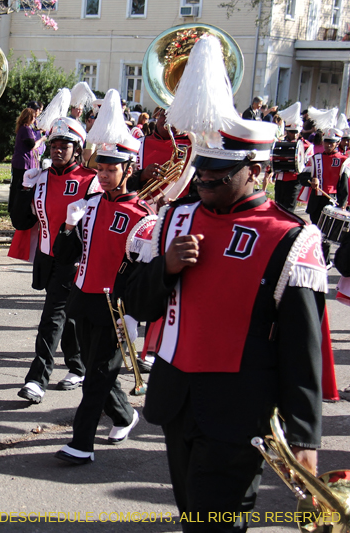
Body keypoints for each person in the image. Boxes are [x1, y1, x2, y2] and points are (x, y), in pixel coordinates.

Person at [123, 35, 324, 532]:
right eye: (203, 171)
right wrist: (165, 267)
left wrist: (304, 439)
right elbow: (136, 303)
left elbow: (304, 346)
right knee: (194, 517)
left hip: (239, 410)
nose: (205, 181)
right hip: (176, 400)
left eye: (220, 173)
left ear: (255, 171)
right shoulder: (174, 219)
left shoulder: (291, 238)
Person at [51, 89, 154, 465]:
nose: (105, 176)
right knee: (98, 367)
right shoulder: (89, 206)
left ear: (128, 170)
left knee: (96, 376)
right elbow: (66, 256)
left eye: (112, 169)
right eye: (101, 169)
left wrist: (133, 314)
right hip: (83, 297)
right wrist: (67, 228)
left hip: (117, 306)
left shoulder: (143, 216)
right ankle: (126, 416)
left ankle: (81, 443)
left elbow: (143, 273)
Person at [11, 109, 99, 404]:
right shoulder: (42, 177)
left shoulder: (90, 181)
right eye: (54, 145)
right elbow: (21, 222)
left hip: (74, 262)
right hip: (46, 258)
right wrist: (24, 187)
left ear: (77, 149)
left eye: (65, 145)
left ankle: (37, 379)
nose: (58, 150)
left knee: (52, 318)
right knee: (67, 316)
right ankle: (79, 366)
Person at [298, 127, 349, 263]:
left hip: (331, 201)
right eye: (326, 142)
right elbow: (302, 177)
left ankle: (324, 263)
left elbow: (343, 185)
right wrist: (311, 180)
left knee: (326, 237)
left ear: (338, 143)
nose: (328, 145)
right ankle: (314, 260)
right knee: (315, 233)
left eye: (331, 143)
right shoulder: (316, 159)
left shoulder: (343, 160)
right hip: (316, 201)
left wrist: (342, 205)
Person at [130, 108, 192, 202]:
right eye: (163, 115)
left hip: (180, 210)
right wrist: (142, 175)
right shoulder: (139, 143)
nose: (167, 120)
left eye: (173, 116)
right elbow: (123, 182)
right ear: (158, 116)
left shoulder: (191, 145)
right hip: (143, 209)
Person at [270, 102, 313, 212]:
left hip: (294, 180)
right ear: (287, 131)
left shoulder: (307, 146)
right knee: (278, 208)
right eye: (291, 132)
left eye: (295, 132)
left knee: (289, 209)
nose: (293, 135)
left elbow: (308, 164)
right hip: (280, 179)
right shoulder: (280, 143)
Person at [10, 107, 45, 212]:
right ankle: (17, 207)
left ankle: (16, 207)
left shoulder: (24, 128)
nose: (34, 119)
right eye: (33, 117)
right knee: (21, 185)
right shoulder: (25, 129)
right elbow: (32, 145)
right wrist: (42, 139)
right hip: (23, 164)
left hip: (22, 162)